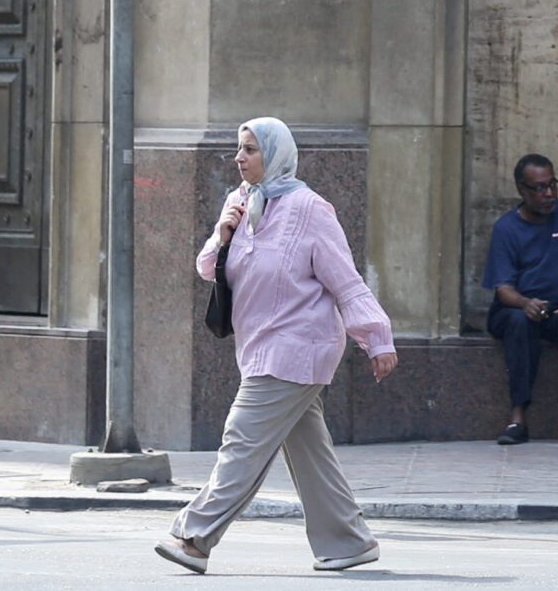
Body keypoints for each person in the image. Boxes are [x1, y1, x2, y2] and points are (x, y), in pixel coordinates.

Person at [156, 118, 397, 576]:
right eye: (239, 149)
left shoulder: (311, 209)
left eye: (249, 150)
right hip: (259, 346)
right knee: (309, 451)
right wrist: (224, 234)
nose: (239, 158)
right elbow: (209, 268)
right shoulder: (241, 201)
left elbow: (345, 281)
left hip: (298, 348)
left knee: (242, 442)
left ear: (275, 155)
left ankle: (194, 537)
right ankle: (349, 541)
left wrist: (376, 338)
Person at [482, 151, 558, 445]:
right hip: (518, 307)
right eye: (539, 188)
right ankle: (518, 418)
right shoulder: (507, 228)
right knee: (519, 324)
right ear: (522, 190)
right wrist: (525, 303)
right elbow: (502, 289)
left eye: (552, 185)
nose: (549, 194)